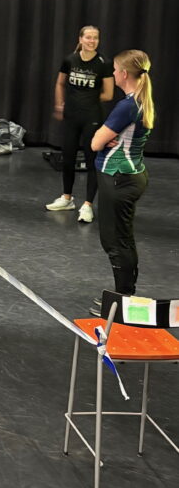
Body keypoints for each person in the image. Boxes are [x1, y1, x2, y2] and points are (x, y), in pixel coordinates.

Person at [89, 50, 154, 314]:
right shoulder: (139, 100)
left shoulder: (127, 106)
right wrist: (106, 138)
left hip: (118, 180)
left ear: (124, 74)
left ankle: (122, 300)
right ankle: (125, 294)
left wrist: (103, 138)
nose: (113, 73)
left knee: (115, 242)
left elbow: (95, 143)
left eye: (115, 70)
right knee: (122, 239)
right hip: (128, 178)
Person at [47, 25, 114, 223]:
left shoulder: (103, 63)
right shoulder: (70, 60)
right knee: (68, 158)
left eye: (95, 38)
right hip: (71, 117)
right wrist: (60, 104)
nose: (92, 41)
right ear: (81, 39)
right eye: (88, 37)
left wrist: (87, 99)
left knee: (91, 160)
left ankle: (87, 205)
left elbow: (109, 94)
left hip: (92, 117)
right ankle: (67, 198)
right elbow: (60, 83)